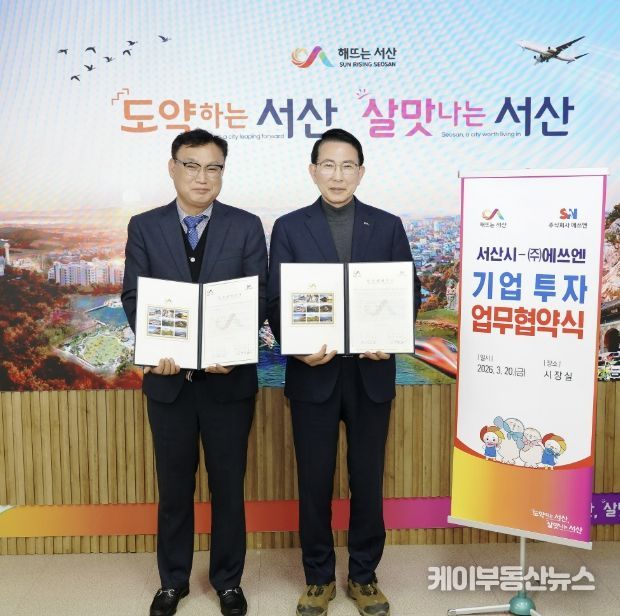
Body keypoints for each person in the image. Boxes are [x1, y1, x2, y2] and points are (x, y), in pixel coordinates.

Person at [267, 128, 421, 616]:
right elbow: (277, 299)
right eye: (328, 165)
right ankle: (317, 578)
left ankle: (364, 575)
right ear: (313, 171)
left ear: (361, 171)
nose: (338, 175)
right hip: (313, 372)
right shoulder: (289, 227)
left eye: (347, 165)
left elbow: (409, 292)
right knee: (314, 480)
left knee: (367, 480)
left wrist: (389, 338)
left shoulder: (388, 225)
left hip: (370, 375)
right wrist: (296, 347)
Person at [122, 128, 267, 616]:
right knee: (173, 488)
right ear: (173, 168)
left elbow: (257, 296)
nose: (202, 177)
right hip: (169, 383)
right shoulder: (144, 226)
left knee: (228, 486)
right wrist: (159, 348)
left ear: (222, 172)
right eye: (191, 165)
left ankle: (228, 581)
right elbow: (134, 295)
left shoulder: (246, 226)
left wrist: (236, 348)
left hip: (230, 382)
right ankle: (173, 581)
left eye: (213, 168)